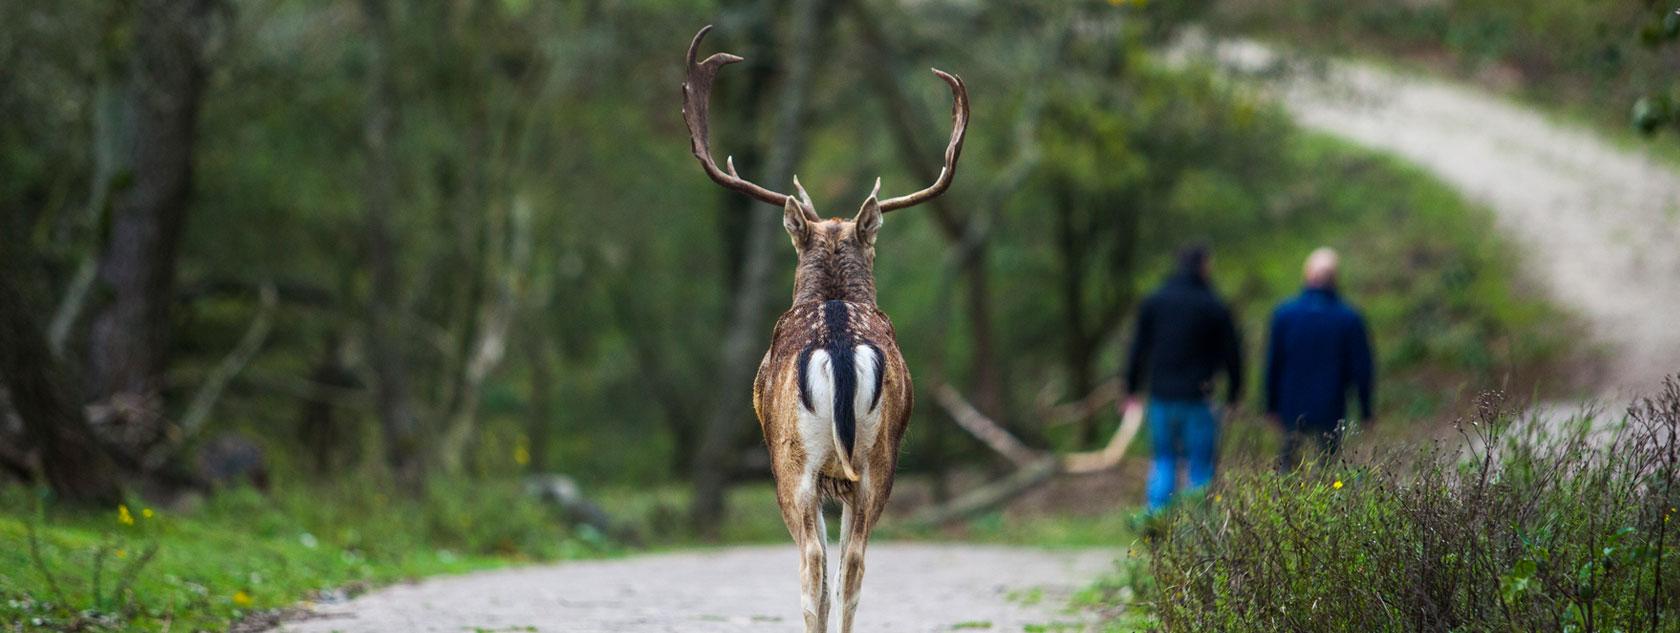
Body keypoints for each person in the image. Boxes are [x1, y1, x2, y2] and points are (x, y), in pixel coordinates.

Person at [1121, 243, 1243, 512]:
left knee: (1163, 460)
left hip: (1161, 396)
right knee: (1200, 466)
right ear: (1203, 266)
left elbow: (1137, 349)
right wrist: (1234, 394)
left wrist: (1131, 388)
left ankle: (1154, 524)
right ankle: (1198, 534)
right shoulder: (1213, 305)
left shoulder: (1155, 301)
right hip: (1198, 398)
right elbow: (1233, 354)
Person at [1264, 247, 1375, 471]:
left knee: (1287, 466)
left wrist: (1271, 405)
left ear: (1307, 275)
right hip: (1331, 404)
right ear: (1335, 278)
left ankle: (1286, 504)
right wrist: (1366, 409)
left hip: (1291, 405)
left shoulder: (1284, 314)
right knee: (1327, 467)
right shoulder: (1349, 318)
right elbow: (1362, 368)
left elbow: (1273, 363)